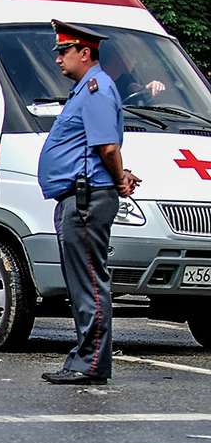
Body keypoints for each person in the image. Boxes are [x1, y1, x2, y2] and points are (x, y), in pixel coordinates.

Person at [37, 20, 140, 385]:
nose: (58, 59)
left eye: (64, 52)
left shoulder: (95, 89)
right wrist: (120, 176)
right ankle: (86, 358)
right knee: (83, 284)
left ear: (85, 53)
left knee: (90, 285)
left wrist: (117, 178)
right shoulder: (86, 89)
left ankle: (91, 362)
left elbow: (107, 147)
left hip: (86, 200)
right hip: (81, 196)